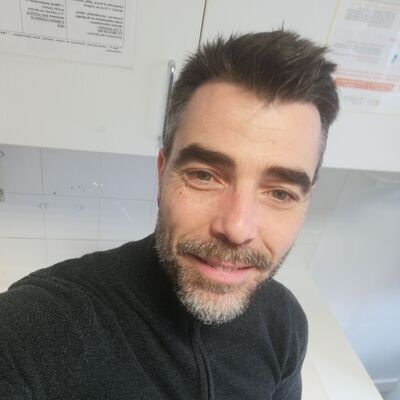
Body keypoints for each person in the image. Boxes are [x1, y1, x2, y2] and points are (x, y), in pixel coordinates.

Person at [0, 30, 339, 399]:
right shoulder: (33, 330)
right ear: (162, 174)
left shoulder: (285, 324)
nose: (237, 228)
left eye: (280, 193)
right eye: (204, 175)